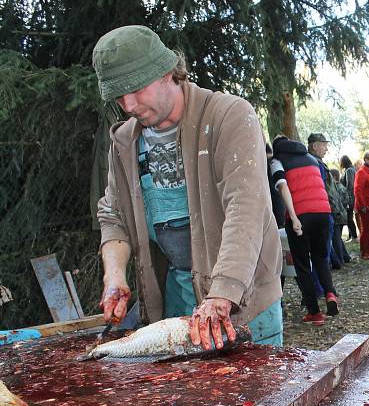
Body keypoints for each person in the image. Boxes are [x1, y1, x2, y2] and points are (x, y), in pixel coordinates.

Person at [93, 25, 283, 349]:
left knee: (259, 398)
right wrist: (114, 277)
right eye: (118, 95)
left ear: (168, 72)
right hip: (177, 297)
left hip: (244, 298)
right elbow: (114, 217)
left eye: (137, 89)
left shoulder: (229, 116)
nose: (128, 104)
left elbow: (247, 206)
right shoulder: (124, 141)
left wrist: (222, 293)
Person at [270, 136, 339, 326]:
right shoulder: (311, 158)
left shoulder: (277, 161)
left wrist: (293, 217)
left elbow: (283, 186)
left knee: (302, 265)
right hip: (324, 213)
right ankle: (330, 293)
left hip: (301, 215)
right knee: (320, 258)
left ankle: (314, 312)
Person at [308, 133, 347, 269]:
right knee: (324, 242)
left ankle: (335, 262)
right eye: (324, 145)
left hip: (327, 208)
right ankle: (330, 265)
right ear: (315, 146)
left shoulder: (318, 163)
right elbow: (323, 189)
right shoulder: (313, 163)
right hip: (324, 209)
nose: (326, 149)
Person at [354, 151, 369, 260]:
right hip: (365, 206)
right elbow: (357, 190)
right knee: (366, 230)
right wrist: (363, 205)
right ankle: (365, 252)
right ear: (366, 160)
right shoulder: (361, 172)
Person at [330, 168, 352, 265]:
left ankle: (340, 259)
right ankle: (345, 256)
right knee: (338, 237)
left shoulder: (335, 187)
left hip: (338, 216)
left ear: (333, 177)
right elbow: (346, 200)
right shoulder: (342, 187)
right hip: (343, 214)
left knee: (336, 239)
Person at [340, 155, 359, 241]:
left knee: (349, 218)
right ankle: (350, 235)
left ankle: (354, 236)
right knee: (349, 217)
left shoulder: (349, 170)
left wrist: (346, 197)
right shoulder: (350, 169)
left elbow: (350, 184)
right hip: (351, 197)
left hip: (350, 197)